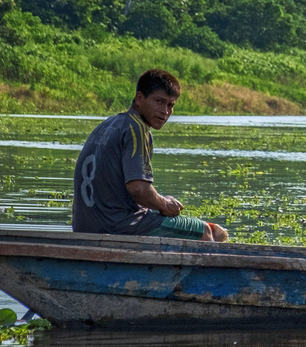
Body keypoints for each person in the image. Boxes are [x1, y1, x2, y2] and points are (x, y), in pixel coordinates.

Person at [71, 69, 228, 241]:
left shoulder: (107, 125)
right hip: (117, 226)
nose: (165, 111)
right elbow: (138, 189)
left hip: (84, 227)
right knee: (208, 232)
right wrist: (165, 204)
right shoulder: (136, 128)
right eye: (159, 101)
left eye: (171, 105)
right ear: (139, 98)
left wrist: (159, 202)